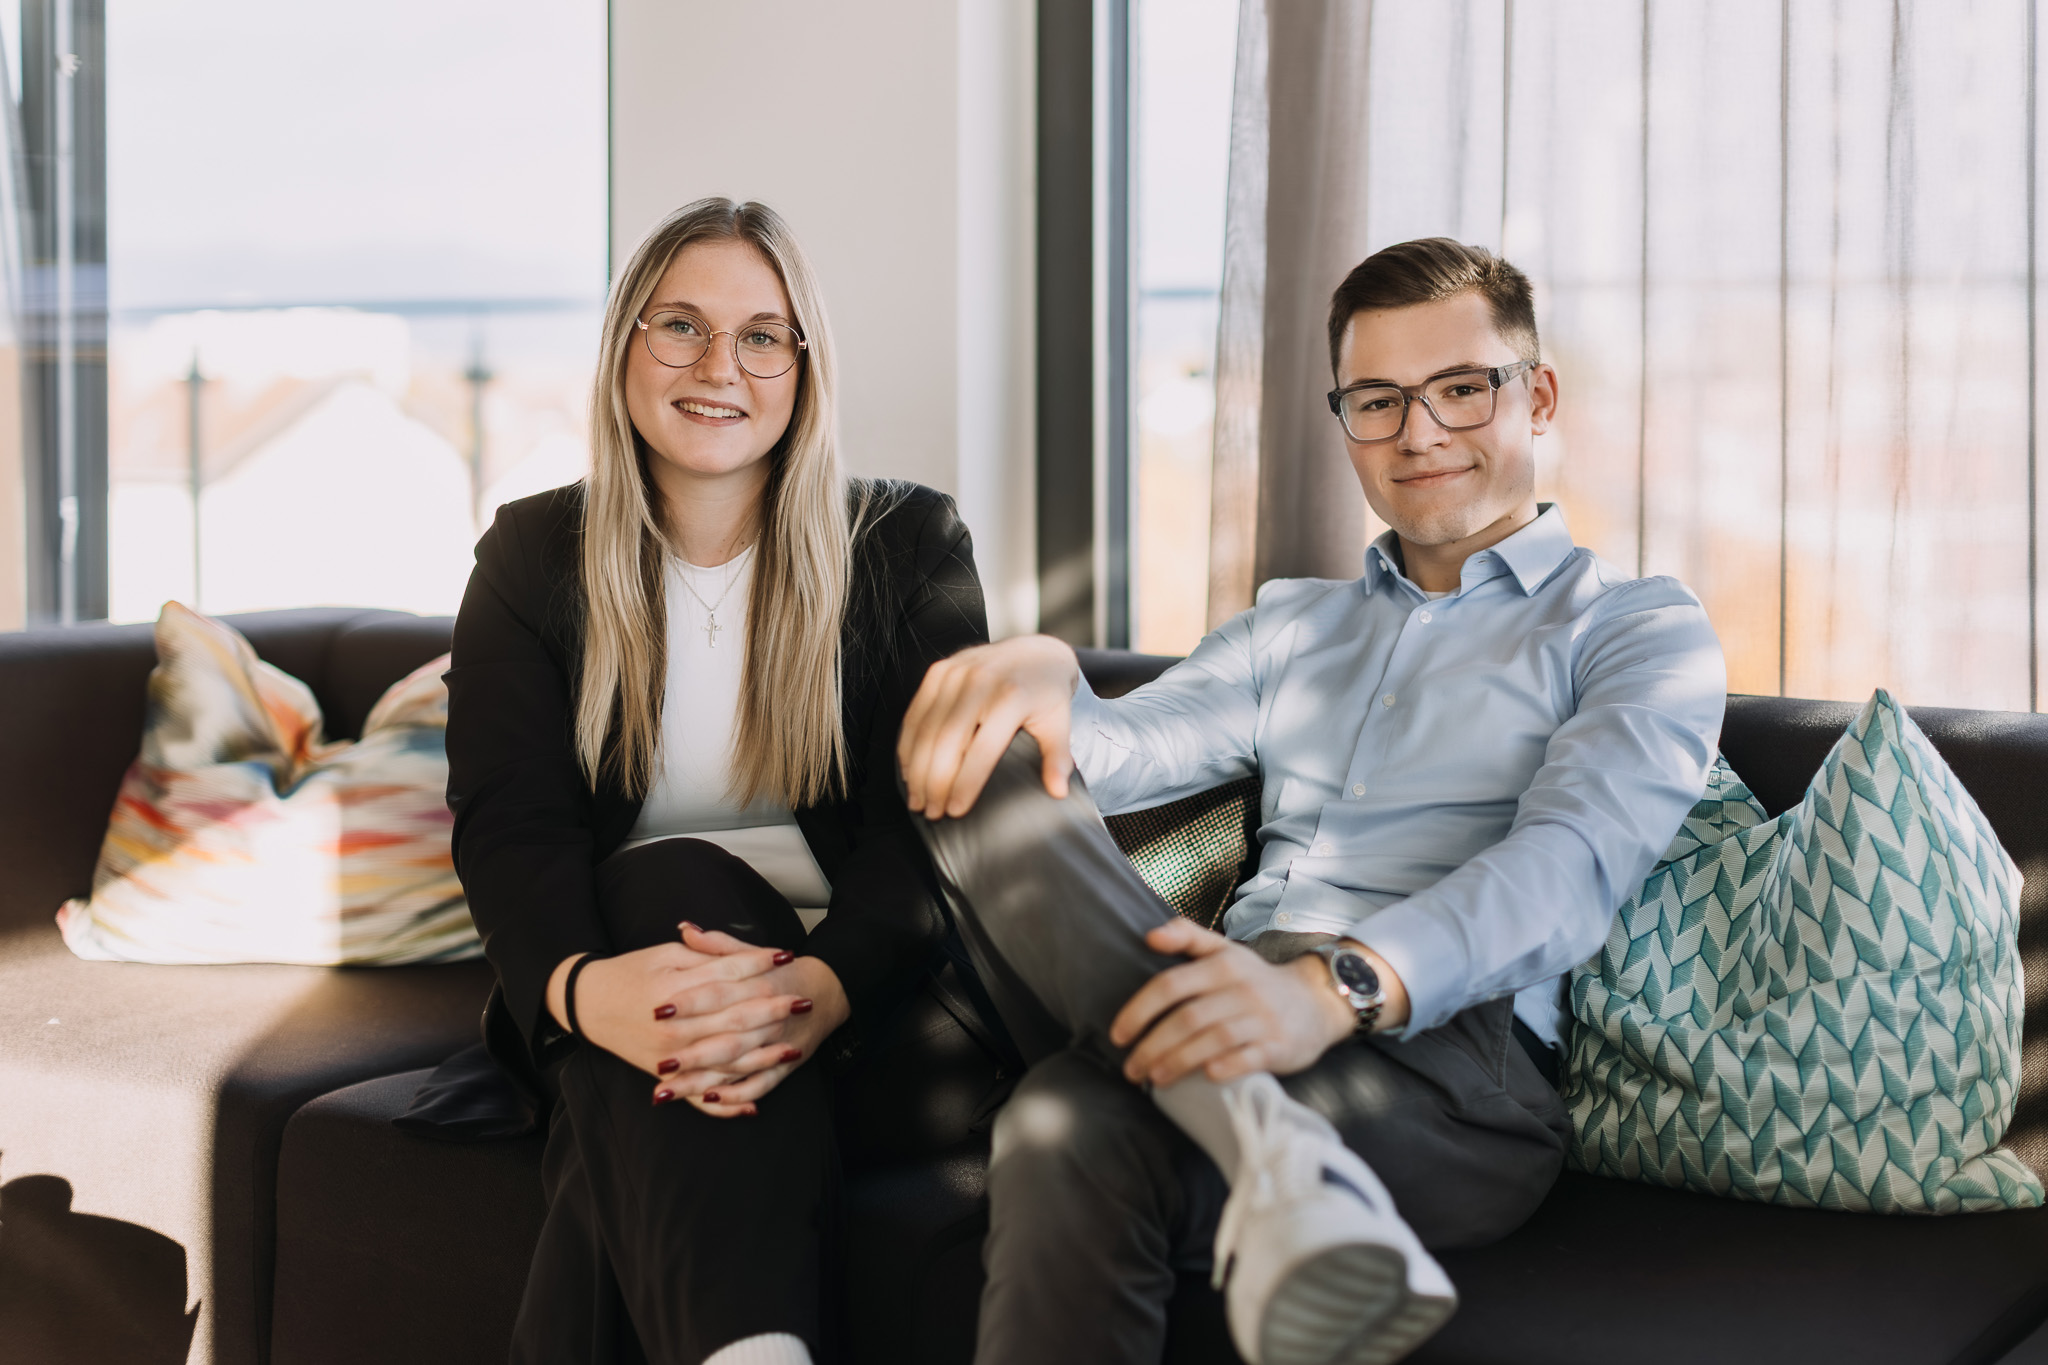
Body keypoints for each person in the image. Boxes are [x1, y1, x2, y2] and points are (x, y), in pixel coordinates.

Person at [895, 238, 1727, 1365]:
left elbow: (1569, 865)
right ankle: (1266, 1141)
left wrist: (1334, 990)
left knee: (1062, 1118)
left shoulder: (1635, 626)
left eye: (1459, 388)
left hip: (1442, 1063)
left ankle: (1252, 1123)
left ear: (1535, 397)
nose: (1417, 433)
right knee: (981, 744)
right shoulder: (1290, 625)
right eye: (1377, 401)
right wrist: (1045, 677)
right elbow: (1119, 751)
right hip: (1223, 995)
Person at [445, 197, 987, 1365]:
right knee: (670, 884)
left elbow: (926, 832)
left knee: (657, 954)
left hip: (865, 1007)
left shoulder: (908, 546)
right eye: (680, 326)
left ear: (803, 365)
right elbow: (510, 827)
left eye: (761, 336)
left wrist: (817, 994)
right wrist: (587, 994)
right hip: (619, 989)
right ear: (625, 345)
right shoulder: (530, 556)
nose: (717, 367)